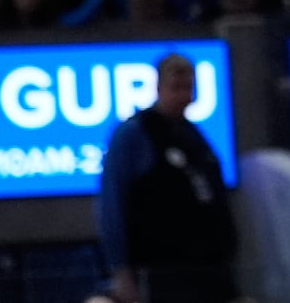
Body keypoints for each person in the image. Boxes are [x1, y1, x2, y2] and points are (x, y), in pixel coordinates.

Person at [98, 54, 237, 303]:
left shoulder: (193, 135)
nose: (183, 96)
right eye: (176, 87)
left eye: (189, 88)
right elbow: (113, 205)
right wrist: (121, 271)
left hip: (204, 267)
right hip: (158, 269)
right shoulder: (135, 133)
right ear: (159, 87)